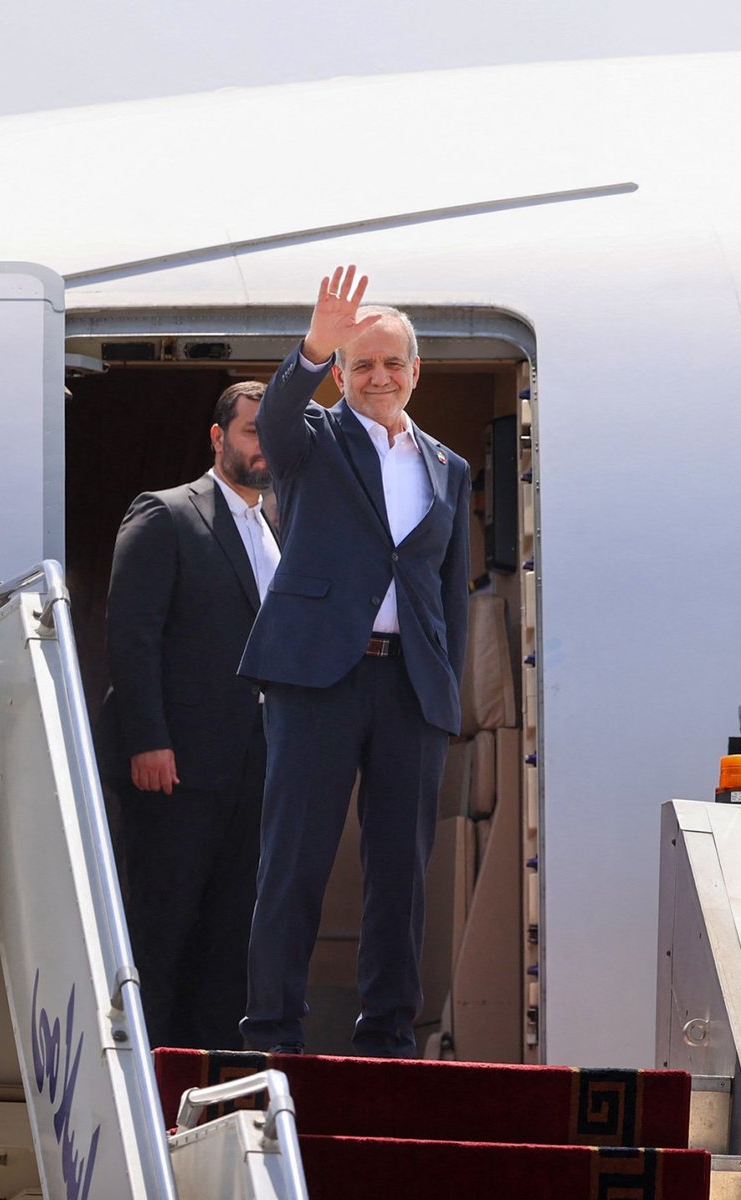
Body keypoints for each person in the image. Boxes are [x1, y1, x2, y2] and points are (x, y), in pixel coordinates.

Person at [240, 265, 470, 1057]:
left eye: (391, 363)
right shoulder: (312, 441)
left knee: (402, 872)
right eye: (361, 364)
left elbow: (447, 593)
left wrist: (445, 691)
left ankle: (387, 1037)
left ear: (415, 372)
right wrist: (312, 346)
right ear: (340, 375)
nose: (378, 377)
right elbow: (274, 418)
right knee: (294, 860)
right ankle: (274, 1031)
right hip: (317, 680)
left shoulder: (447, 467)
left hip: (410, 686)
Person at [101, 379, 279, 1051]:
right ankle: (142, 1080)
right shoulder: (167, 513)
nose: (264, 446)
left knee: (231, 942)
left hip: (256, 771)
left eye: (274, 433)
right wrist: (148, 740)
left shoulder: (277, 531)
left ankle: (208, 1086)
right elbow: (131, 635)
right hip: (174, 769)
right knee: (160, 935)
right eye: (253, 431)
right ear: (218, 437)